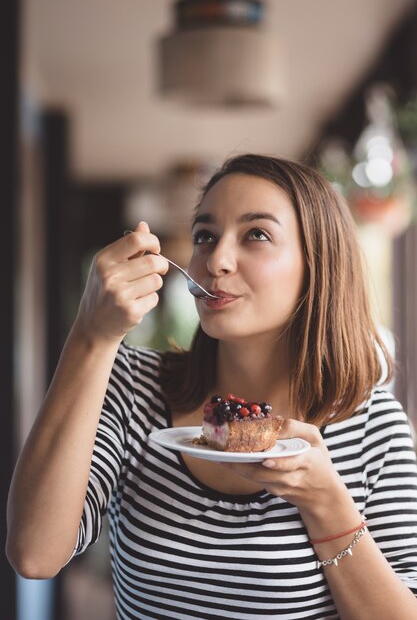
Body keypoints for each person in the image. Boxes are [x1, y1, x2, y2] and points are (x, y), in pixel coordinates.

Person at [7, 154, 417, 620]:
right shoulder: (134, 386)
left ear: (318, 264)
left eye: (256, 234)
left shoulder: (372, 425)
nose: (215, 260)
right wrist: (92, 334)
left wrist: (327, 505)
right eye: (205, 236)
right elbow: (35, 555)